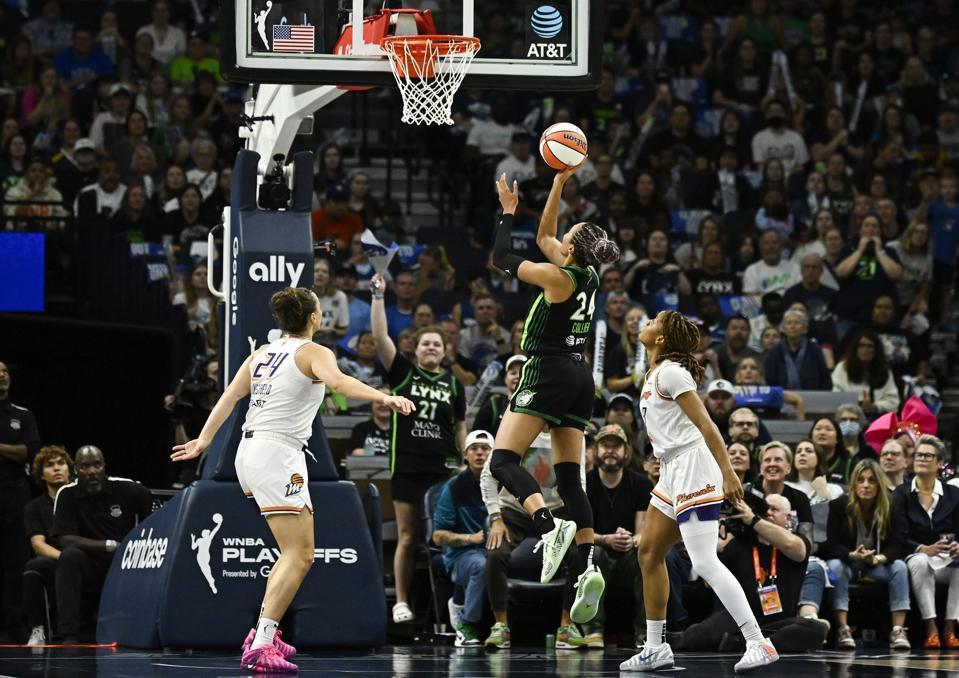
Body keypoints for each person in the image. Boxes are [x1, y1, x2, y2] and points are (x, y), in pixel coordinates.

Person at [171, 287, 414, 672]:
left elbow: (229, 399)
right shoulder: (314, 352)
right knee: (300, 554)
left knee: (292, 551)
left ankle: (264, 633)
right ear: (314, 318)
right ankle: (262, 640)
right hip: (276, 453)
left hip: (249, 454)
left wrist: (203, 440)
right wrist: (383, 397)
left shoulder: (261, 354)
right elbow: (339, 384)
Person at [487, 166, 620, 627]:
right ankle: (585, 564)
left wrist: (507, 215)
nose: (561, 233)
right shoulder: (586, 273)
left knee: (501, 461)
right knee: (569, 480)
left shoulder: (557, 279)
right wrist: (558, 184)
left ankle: (548, 526)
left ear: (572, 247)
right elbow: (545, 234)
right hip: (581, 377)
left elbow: (501, 257)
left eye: (571, 231)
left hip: (548, 370)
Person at [620, 310, 779, 673]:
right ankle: (656, 647)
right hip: (672, 469)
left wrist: (727, 473)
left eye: (654, 320)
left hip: (694, 465)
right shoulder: (654, 373)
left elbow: (707, 426)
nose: (647, 322)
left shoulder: (672, 373)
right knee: (648, 552)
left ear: (661, 338)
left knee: (705, 561)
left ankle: (758, 641)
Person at [370, 275, 466, 625]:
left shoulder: (454, 383)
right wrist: (379, 296)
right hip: (408, 466)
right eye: (425, 344)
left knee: (443, 537)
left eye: (436, 346)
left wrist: (463, 459)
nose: (430, 349)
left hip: (442, 469)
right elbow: (380, 337)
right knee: (408, 536)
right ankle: (402, 601)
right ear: (416, 348)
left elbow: (459, 425)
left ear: (445, 351)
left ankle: (454, 604)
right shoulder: (404, 374)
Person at [480, 420, 589, 649]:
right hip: (515, 509)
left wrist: (578, 521)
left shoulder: (571, 432)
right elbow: (488, 476)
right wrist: (496, 518)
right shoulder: (516, 425)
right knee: (495, 553)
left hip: (556, 511)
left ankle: (566, 627)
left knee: (579, 554)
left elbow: (578, 483)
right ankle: (501, 626)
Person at [670, 494, 826, 654]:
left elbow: (797, 550)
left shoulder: (797, 541)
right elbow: (708, 583)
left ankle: (744, 645)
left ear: (787, 518)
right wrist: (708, 547)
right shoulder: (739, 544)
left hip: (777, 624)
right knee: (702, 633)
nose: (768, 513)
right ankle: (675, 640)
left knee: (816, 628)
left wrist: (754, 519)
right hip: (739, 620)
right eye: (765, 509)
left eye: (774, 509)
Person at [799, 460, 910, 650]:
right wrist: (853, 555)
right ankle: (843, 629)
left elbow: (897, 544)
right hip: (849, 563)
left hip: (878, 564)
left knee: (900, 567)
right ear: (854, 483)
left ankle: (898, 630)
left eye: (871, 481)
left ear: (879, 485)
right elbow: (830, 545)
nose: (866, 485)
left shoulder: (890, 505)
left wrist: (878, 558)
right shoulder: (840, 505)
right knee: (834, 566)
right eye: (861, 480)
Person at [51, 446, 153, 643]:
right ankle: (68, 634)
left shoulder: (128, 489)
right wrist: (109, 545)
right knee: (69, 556)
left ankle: (142, 629)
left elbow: (153, 512)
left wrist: (135, 544)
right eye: (85, 467)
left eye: (97, 465)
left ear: (104, 467)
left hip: (123, 564)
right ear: (76, 470)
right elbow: (65, 538)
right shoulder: (67, 494)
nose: (91, 472)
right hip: (89, 565)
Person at [583, 424, 652, 647]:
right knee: (597, 553)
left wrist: (630, 540)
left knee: (647, 555)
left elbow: (643, 532)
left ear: (627, 452)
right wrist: (605, 538)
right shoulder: (584, 484)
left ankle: (645, 633)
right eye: (605, 445)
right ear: (595, 450)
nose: (610, 451)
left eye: (616, 446)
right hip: (596, 549)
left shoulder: (641, 483)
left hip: (627, 552)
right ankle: (593, 631)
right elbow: (578, 532)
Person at [894, 435, 959, 648]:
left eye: (928, 456)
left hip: (947, 559)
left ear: (940, 463)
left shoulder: (953, 494)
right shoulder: (901, 494)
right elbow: (897, 535)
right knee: (921, 561)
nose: (921, 459)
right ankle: (931, 627)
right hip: (915, 556)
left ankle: (950, 627)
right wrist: (923, 548)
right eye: (919, 455)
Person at [432, 430, 492, 647]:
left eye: (485, 449)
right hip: (463, 554)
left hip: (497, 549)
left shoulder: (504, 486)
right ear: (465, 455)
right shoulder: (454, 488)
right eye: (474, 449)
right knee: (481, 565)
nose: (479, 454)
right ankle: (467, 624)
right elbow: (438, 537)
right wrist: (470, 538)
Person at [0, 360, 41, 642]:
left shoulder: (22, 416)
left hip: (13, 494)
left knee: (15, 561)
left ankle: (14, 624)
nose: (2, 376)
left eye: (4, 372)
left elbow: (30, 451)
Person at [23, 445, 73, 647]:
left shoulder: (80, 498)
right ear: (41, 474)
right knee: (33, 568)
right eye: (49, 465)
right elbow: (38, 544)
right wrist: (66, 558)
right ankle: (38, 629)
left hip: (85, 559)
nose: (56, 468)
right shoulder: (34, 507)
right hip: (58, 560)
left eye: (61, 463)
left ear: (70, 469)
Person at [754, 441, 815, 550]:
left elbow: (807, 544)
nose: (772, 464)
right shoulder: (749, 494)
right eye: (767, 460)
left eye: (778, 459)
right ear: (761, 468)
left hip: (789, 553)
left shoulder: (800, 498)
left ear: (788, 468)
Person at [831, 328, 901, 417]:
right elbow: (834, 395)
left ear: (876, 350)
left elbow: (893, 401)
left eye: (870, 346)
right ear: (855, 349)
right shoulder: (843, 367)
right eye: (862, 346)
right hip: (847, 416)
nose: (865, 349)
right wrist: (855, 406)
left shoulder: (884, 370)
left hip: (877, 418)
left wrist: (876, 407)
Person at [763, 308, 832, 390]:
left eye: (797, 323)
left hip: (812, 398)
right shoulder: (774, 352)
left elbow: (825, 381)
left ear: (805, 329)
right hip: (782, 398)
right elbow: (769, 382)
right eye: (789, 323)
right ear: (784, 329)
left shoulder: (814, 349)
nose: (792, 326)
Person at [473, 354, 525, 436]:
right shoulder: (494, 402)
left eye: (522, 372)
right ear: (505, 378)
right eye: (513, 373)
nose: (518, 376)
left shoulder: (536, 405)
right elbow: (477, 434)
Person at [457, 292, 510, 368]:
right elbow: (464, 365)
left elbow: (507, 363)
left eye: (489, 308)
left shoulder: (506, 335)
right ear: (474, 313)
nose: (485, 311)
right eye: (480, 308)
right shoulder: (464, 335)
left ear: (496, 312)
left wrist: (499, 339)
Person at [311, 258, 348, 350]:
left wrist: (331, 331)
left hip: (329, 347)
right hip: (306, 345)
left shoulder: (339, 297)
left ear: (330, 277)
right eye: (316, 271)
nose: (320, 274)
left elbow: (343, 331)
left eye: (324, 272)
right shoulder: (302, 296)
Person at [348, 386, 391, 457]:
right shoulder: (361, 428)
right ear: (371, 404)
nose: (383, 405)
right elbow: (356, 451)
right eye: (378, 401)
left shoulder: (401, 430)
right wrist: (385, 454)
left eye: (388, 401)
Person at [716, 315, 760, 382]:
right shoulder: (715, 354)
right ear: (726, 332)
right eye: (734, 328)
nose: (738, 332)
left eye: (743, 329)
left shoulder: (757, 358)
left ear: (749, 333)